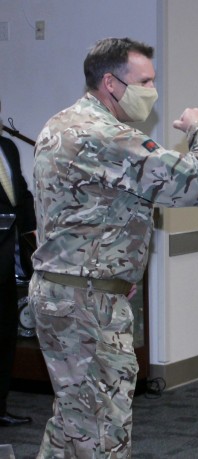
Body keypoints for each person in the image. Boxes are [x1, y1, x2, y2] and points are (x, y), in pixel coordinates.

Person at [29, 37, 198, 458]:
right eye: (144, 81)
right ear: (111, 83)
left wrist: (116, 270)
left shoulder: (61, 123)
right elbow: (194, 185)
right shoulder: (107, 135)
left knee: (73, 419)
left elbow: (93, 211)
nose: (152, 90)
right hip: (87, 304)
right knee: (101, 428)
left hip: (63, 292)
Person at [0, 99, 36, 428]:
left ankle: (0, 407)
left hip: (10, 259)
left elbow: (21, 193)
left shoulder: (7, 147)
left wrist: (32, 231)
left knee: (6, 333)